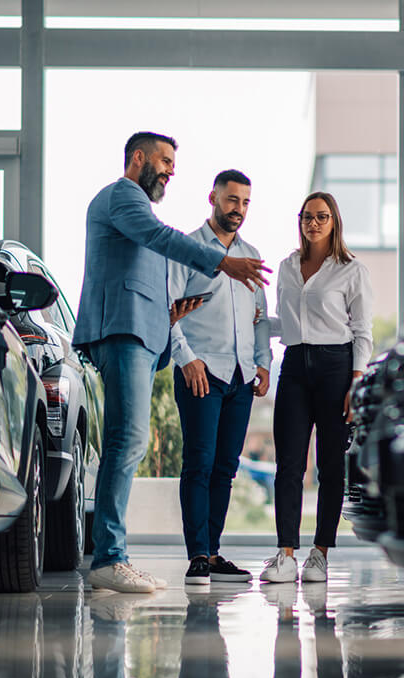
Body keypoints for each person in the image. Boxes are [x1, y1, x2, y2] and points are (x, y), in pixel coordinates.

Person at [74, 132, 270, 594]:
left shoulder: (135, 207)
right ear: (137, 157)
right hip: (121, 330)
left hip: (141, 333)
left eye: (173, 164)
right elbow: (159, 238)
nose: (170, 171)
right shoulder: (122, 196)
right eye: (164, 161)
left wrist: (170, 319)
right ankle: (108, 557)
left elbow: (151, 283)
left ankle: (113, 554)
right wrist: (222, 263)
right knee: (128, 442)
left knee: (131, 443)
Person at [260, 192, 373, 583]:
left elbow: (362, 332)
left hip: (336, 368)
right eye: (308, 217)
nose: (314, 223)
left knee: (329, 466)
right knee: (288, 462)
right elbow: (286, 323)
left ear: (334, 221)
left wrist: (356, 382)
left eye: (322, 217)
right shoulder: (287, 267)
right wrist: (255, 324)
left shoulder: (351, 270)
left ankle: (320, 554)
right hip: (293, 366)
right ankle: (286, 553)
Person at [167, 169, 271, 586]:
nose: (238, 210)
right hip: (201, 373)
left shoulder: (251, 253)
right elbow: (166, 308)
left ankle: (212, 552)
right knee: (199, 463)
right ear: (213, 197)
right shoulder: (188, 249)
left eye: (245, 202)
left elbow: (258, 318)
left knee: (226, 467)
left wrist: (263, 362)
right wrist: (186, 359)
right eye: (232, 200)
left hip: (242, 376)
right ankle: (196, 557)